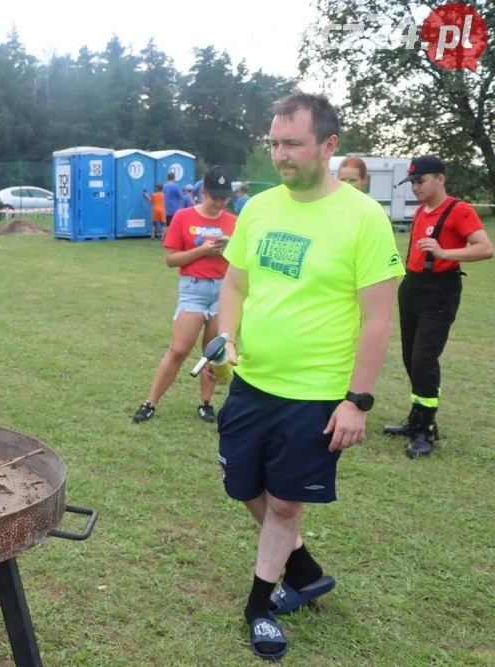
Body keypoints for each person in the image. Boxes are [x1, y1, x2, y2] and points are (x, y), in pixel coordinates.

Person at [215, 91, 404, 660]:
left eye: (293, 143)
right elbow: (235, 285)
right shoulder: (259, 208)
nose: (281, 155)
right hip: (253, 381)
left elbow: (377, 319)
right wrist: (226, 337)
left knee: (285, 504)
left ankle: (260, 604)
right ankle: (303, 565)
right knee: (242, 484)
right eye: (274, 143)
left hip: (317, 394)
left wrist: (357, 401)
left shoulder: (364, 218)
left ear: (328, 145)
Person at [383, 155, 493, 458]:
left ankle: (426, 430)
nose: (415, 187)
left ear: (440, 179)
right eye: (413, 182)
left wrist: (444, 251)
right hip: (412, 287)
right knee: (410, 356)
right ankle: (417, 418)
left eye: (420, 181)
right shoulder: (420, 212)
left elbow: (485, 248)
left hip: (440, 291)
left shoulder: (460, 210)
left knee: (424, 359)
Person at [132, 166, 236, 425]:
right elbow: (171, 259)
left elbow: (240, 261)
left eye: (225, 198)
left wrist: (225, 253)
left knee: (212, 354)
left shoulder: (234, 222)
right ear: (203, 192)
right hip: (194, 289)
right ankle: (150, 402)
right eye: (215, 197)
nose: (220, 203)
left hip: (223, 290)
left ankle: (205, 403)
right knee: (178, 350)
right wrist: (202, 252)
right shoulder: (183, 216)